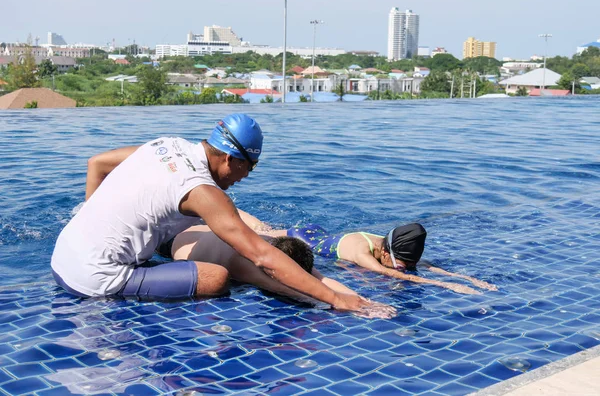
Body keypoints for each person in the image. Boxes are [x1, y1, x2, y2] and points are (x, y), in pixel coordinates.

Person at [50, 114, 395, 319]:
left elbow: (96, 162)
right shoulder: (201, 191)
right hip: (93, 280)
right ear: (231, 159)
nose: (246, 176)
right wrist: (338, 299)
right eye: (249, 167)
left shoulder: (164, 145)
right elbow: (262, 255)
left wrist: (91, 217)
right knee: (216, 277)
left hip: (63, 255)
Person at [222, 217, 497, 295]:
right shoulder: (363, 252)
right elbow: (385, 272)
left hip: (321, 233)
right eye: (402, 265)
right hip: (303, 236)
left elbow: (418, 264)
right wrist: (447, 286)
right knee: (259, 232)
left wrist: (463, 278)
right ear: (386, 253)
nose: (404, 270)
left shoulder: (386, 248)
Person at [163, 226, 357, 302]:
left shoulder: (277, 249)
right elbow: (283, 287)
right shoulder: (244, 262)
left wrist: (363, 301)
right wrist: (333, 302)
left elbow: (321, 279)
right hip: (175, 242)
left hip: (205, 229)